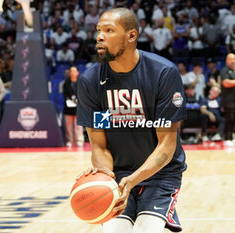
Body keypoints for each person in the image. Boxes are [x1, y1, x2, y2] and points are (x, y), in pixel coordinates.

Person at [77, 8, 186, 233]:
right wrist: (105, 175)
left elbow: (166, 144)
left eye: (109, 30)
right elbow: (99, 144)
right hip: (118, 175)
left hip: (160, 175)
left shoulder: (162, 73)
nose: (99, 36)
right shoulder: (91, 81)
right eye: (98, 30)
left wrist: (133, 179)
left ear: (132, 36)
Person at [220, 53, 235, 147]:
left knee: (234, 119)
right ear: (226, 60)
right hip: (228, 99)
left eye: (234, 59)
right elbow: (226, 83)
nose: (233, 61)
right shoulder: (224, 70)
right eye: (231, 59)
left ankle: (231, 137)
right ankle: (226, 138)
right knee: (228, 118)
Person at [63, 66, 84, 147]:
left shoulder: (81, 82)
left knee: (78, 125)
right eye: (71, 71)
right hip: (68, 107)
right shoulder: (66, 83)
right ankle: (70, 140)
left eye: (74, 71)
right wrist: (69, 100)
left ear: (78, 72)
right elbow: (65, 95)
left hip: (78, 106)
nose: (72, 73)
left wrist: (79, 100)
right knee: (68, 125)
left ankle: (79, 140)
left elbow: (83, 93)